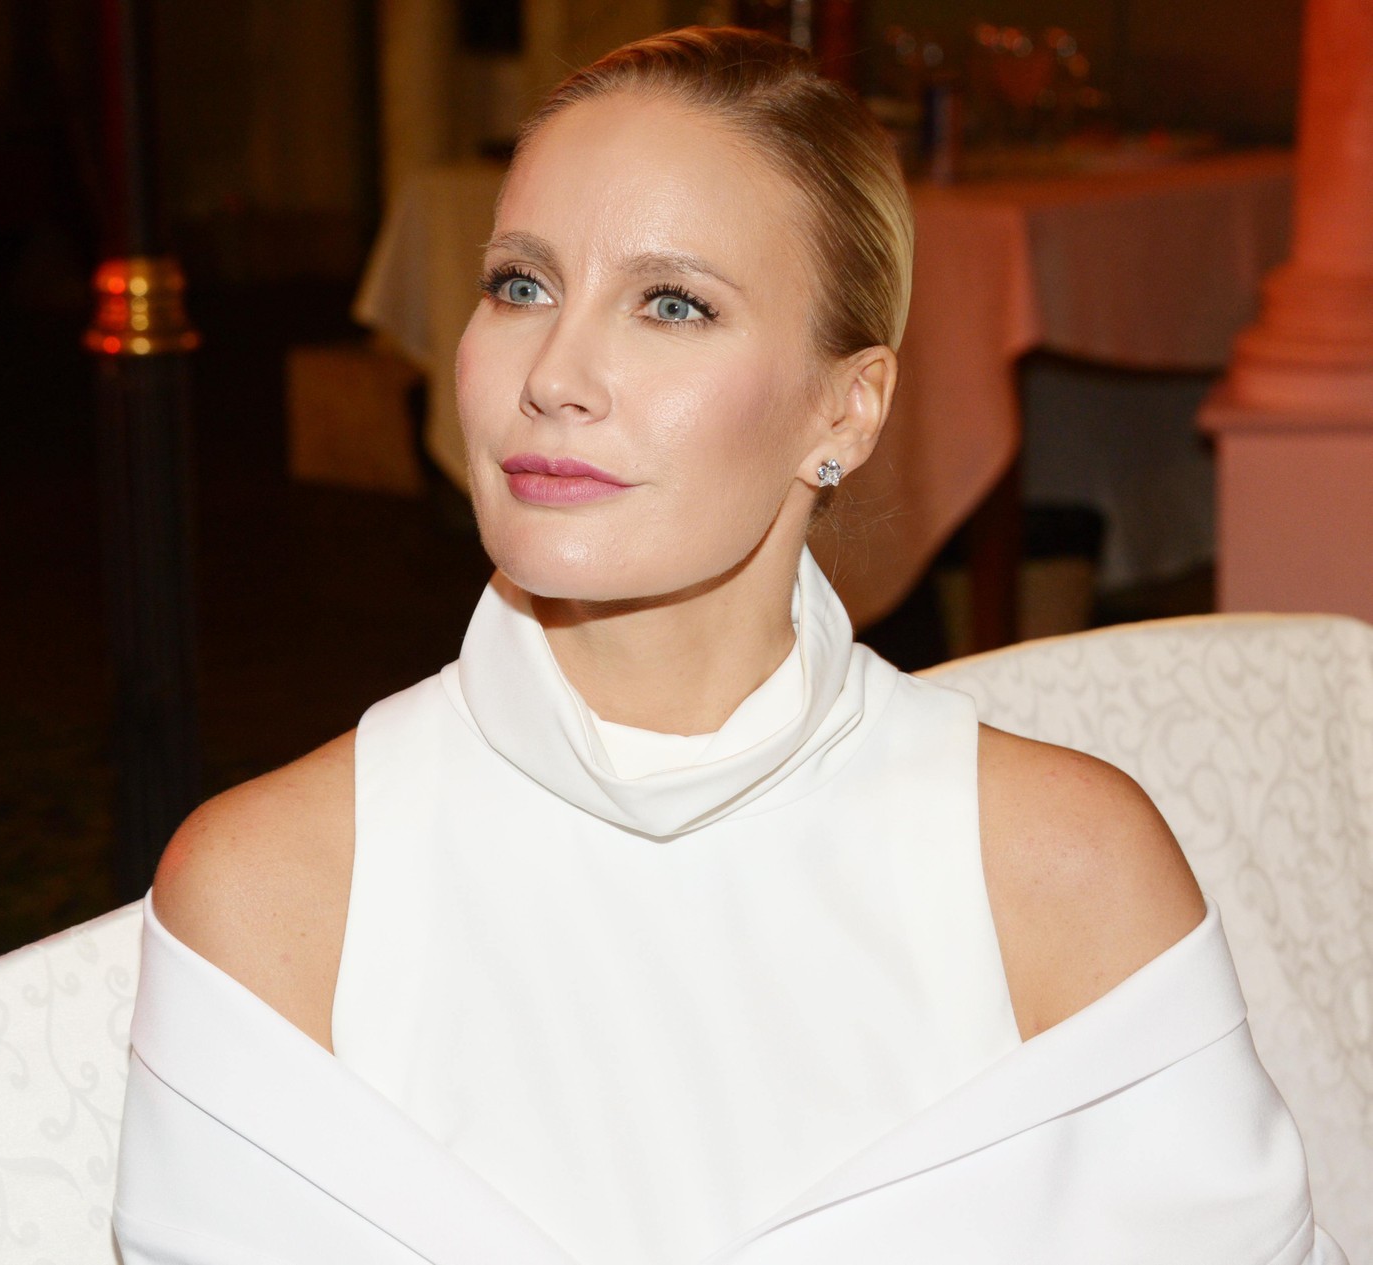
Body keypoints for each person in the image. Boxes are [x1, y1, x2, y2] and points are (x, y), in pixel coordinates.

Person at [113, 27, 1342, 1264]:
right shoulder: (275, 894)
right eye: (521, 286)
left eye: (671, 303)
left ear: (846, 408)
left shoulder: (1062, 870)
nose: (555, 375)